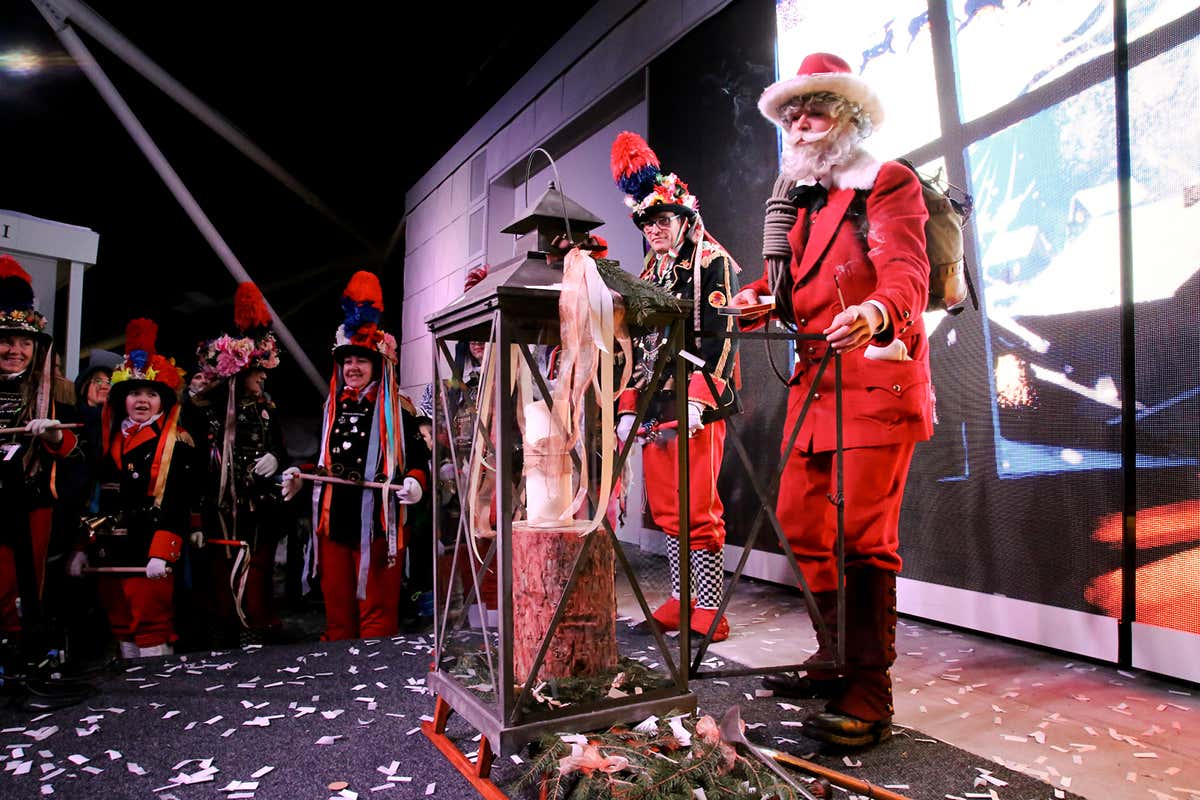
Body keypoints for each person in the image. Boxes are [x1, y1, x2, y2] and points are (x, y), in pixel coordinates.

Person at [731, 52, 933, 747]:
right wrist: (759, 300)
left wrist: (878, 311)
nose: (800, 123)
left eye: (814, 108)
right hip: (816, 391)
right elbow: (786, 282)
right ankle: (830, 655)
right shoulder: (805, 201)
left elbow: (907, 269)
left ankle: (869, 692)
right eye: (790, 113)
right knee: (798, 520)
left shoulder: (886, 181)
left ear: (848, 114)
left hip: (875, 380)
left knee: (862, 538)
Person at [609, 131, 741, 642]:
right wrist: (628, 404)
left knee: (698, 506)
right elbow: (635, 344)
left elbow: (721, 334)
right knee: (666, 508)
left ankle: (710, 609)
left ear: (685, 218)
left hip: (693, 403)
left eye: (662, 220)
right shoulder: (648, 270)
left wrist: (699, 397)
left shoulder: (712, 262)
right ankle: (682, 599)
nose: (654, 230)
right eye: (647, 222)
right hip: (656, 402)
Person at [281, 271, 428, 641]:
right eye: (348, 361)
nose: (353, 368)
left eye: (362, 360)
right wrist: (299, 474)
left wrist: (415, 482)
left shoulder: (399, 410)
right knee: (337, 611)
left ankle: (373, 689)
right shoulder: (332, 406)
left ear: (377, 364)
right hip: (335, 521)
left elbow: (417, 460)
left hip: (378, 525)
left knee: (376, 616)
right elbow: (323, 460)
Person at [68, 319, 198, 658]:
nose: (142, 401)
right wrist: (82, 546)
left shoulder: (177, 444)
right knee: (121, 623)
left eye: (151, 394)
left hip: (147, 548)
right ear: (123, 400)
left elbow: (177, 501)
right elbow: (95, 497)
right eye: (135, 394)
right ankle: (131, 699)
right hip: (109, 550)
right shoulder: (108, 440)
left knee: (151, 625)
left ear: (163, 401)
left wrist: (163, 551)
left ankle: (155, 699)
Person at [0, 256, 85, 648]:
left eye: (24, 342)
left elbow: (76, 452)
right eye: (5, 340)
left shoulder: (58, 391)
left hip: (29, 505)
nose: (14, 350)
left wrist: (53, 437)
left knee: (19, 590)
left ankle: (19, 662)